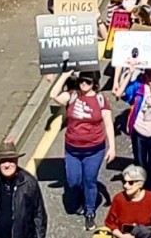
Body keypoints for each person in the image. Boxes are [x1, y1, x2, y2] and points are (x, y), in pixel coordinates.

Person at [49, 67, 116, 229]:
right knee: (73, 182)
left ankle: (90, 211)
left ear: (94, 83)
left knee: (90, 181)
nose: (84, 84)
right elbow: (53, 95)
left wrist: (112, 147)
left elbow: (108, 124)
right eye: (81, 80)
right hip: (72, 150)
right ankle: (79, 198)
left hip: (94, 150)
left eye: (88, 81)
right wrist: (65, 75)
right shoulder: (72, 96)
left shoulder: (100, 100)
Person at [0, 138, 47, 238]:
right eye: (3, 161)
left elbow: (39, 216)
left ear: (16, 161)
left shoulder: (29, 183)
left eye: (10, 160)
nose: (7, 165)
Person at [103, 164, 151, 232]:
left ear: (140, 184)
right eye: (124, 182)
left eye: (130, 182)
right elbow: (110, 223)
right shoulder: (119, 199)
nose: (125, 185)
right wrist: (121, 236)